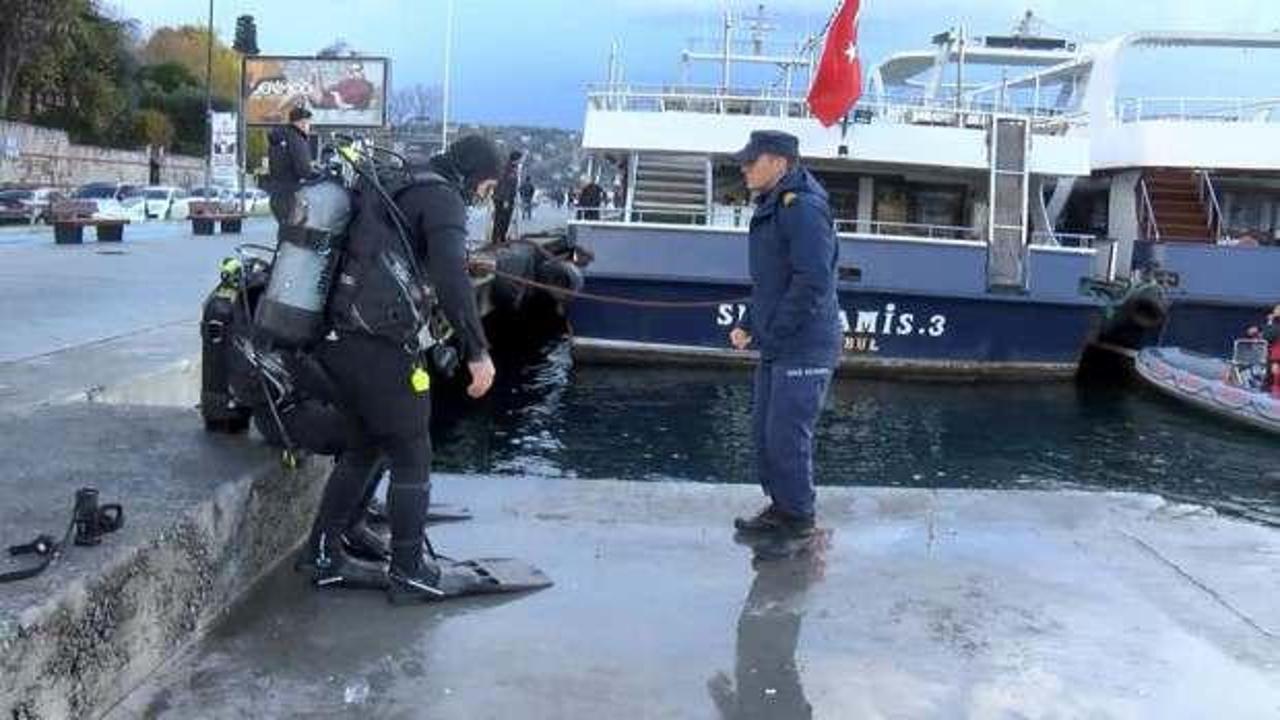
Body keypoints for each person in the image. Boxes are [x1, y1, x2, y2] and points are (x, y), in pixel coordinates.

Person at [299, 134, 502, 603]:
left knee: (366, 444)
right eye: (488, 187)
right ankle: (409, 571)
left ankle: (327, 551)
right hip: (378, 339)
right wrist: (477, 350)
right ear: (475, 175)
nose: (484, 196)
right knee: (412, 448)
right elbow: (453, 279)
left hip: (338, 334)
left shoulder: (401, 179)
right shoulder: (444, 199)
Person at [728, 130, 841, 539]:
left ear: (779, 162)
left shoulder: (802, 208)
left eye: (751, 160)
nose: (743, 167)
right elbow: (772, 282)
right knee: (764, 434)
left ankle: (798, 520)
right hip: (780, 342)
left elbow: (813, 280)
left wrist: (772, 329)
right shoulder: (775, 204)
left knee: (787, 436)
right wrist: (747, 322)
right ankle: (781, 507)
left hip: (805, 343)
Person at [265, 106, 315, 224]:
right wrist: (318, 175)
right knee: (295, 234)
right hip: (292, 194)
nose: (309, 127)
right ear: (302, 123)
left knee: (285, 233)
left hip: (277, 193)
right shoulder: (297, 139)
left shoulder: (280, 137)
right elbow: (303, 170)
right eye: (308, 123)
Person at [1246, 304, 1280, 395]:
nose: (1275, 310)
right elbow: (1257, 332)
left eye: (1277, 309)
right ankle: (1271, 387)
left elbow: (1268, 335)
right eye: (1276, 309)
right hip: (1271, 353)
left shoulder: (1274, 325)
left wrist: (1270, 321)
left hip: (1275, 354)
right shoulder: (1272, 325)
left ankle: (1274, 389)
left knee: (1275, 366)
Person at [490, 151, 521, 244]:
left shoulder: (511, 168)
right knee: (502, 219)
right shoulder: (508, 169)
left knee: (503, 219)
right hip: (503, 198)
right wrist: (506, 200)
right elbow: (505, 185)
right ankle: (498, 239)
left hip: (502, 197)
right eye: (520, 159)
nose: (520, 161)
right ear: (515, 159)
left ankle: (500, 238)